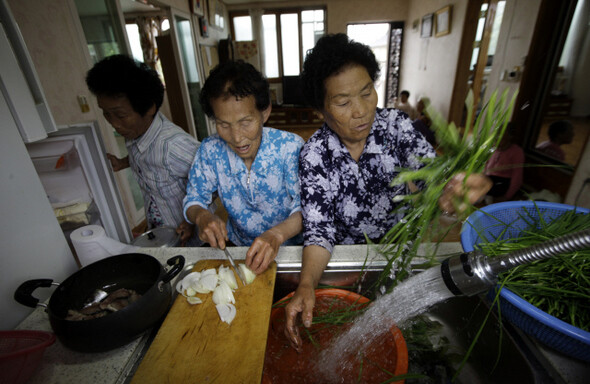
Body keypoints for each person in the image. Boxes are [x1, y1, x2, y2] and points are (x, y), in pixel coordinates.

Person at [284, 33, 492, 351]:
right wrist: (307, 283)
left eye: (367, 93)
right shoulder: (315, 154)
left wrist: (452, 188)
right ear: (320, 110)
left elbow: (430, 177)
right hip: (345, 264)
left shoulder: (396, 126)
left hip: (396, 254)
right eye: (342, 102)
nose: (361, 111)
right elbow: (319, 229)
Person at [183, 60, 304, 274]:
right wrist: (202, 216)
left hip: (289, 251)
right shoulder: (210, 150)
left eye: (245, 122)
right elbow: (193, 198)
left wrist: (276, 235)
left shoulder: (290, 148)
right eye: (223, 125)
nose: (237, 138)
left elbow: (307, 208)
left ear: (264, 112)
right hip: (238, 250)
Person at [86, 54, 200, 246]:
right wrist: (123, 162)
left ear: (149, 108)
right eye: (106, 114)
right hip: (161, 230)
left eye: (120, 115)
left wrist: (192, 220)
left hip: (190, 238)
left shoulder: (173, 146)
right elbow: (144, 159)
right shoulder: (136, 134)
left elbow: (214, 181)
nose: (114, 125)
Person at [485, 123, 524, 202]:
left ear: (510, 137)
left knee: (491, 188)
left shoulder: (517, 152)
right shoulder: (492, 148)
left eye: (501, 134)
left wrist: (507, 197)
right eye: (496, 134)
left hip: (502, 182)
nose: (497, 137)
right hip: (489, 179)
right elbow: (485, 167)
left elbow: (517, 177)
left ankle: (488, 198)